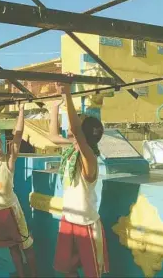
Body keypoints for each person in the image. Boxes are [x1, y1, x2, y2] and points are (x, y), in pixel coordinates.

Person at [47, 74, 109, 278]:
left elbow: (76, 131)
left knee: (92, 274)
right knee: (68, 269)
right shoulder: (72, 150)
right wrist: (55, 106)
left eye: (77, 126)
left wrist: (67, 93)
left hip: (86, 225)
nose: (71, 130)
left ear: (81, 134)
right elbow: (53, 137)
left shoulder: (88, 157)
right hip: (70, 218)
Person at [0, 103, 37, 278]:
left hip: (11, 210)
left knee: (26, 245)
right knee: (11, 246)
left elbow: (17, 137)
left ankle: (34, 275)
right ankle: (20, 274)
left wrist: (20, 112)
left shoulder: (8, 161)